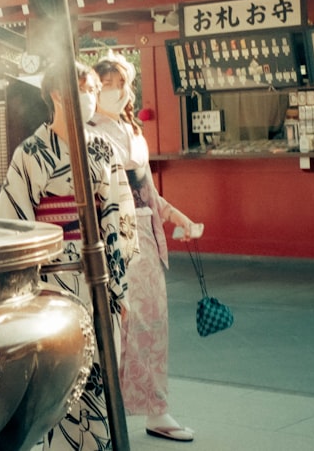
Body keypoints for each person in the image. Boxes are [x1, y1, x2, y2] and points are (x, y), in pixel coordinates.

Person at [0, 60, 137, 451]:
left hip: (98, 278)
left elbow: (119, 216)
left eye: (93, 91)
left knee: (101, 369)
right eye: (85, 91)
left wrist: (119, 284)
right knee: (58, 372)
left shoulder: (103, 148)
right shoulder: (31, 153)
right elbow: (15, 225)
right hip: (52, 281)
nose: (91, 99)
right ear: (58, 94)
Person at [88, 52, 202, 443]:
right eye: (106, 85)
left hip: (146, 239)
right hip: (112, 240)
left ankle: (156, 408)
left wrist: (179, 218)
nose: (115, 92)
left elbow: (149, 194)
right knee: (119, 328)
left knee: (153, 324)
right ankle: (105, 409)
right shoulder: (87, 133)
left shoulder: (133, 133)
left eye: (121, 85)